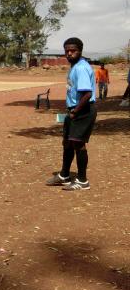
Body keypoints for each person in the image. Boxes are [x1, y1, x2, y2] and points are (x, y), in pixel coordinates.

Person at [46, 37, 97, 191]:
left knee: (78, 144)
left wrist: (75, 111)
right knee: (68, 143)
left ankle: (82, 181)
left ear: (80, 51)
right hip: (74, 109)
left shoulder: (81, 68)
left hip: (83, 110)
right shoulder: (74, 66)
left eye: (73, 50)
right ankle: (64, 175)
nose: (69, 53)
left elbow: (87, 94)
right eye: (67, 51)